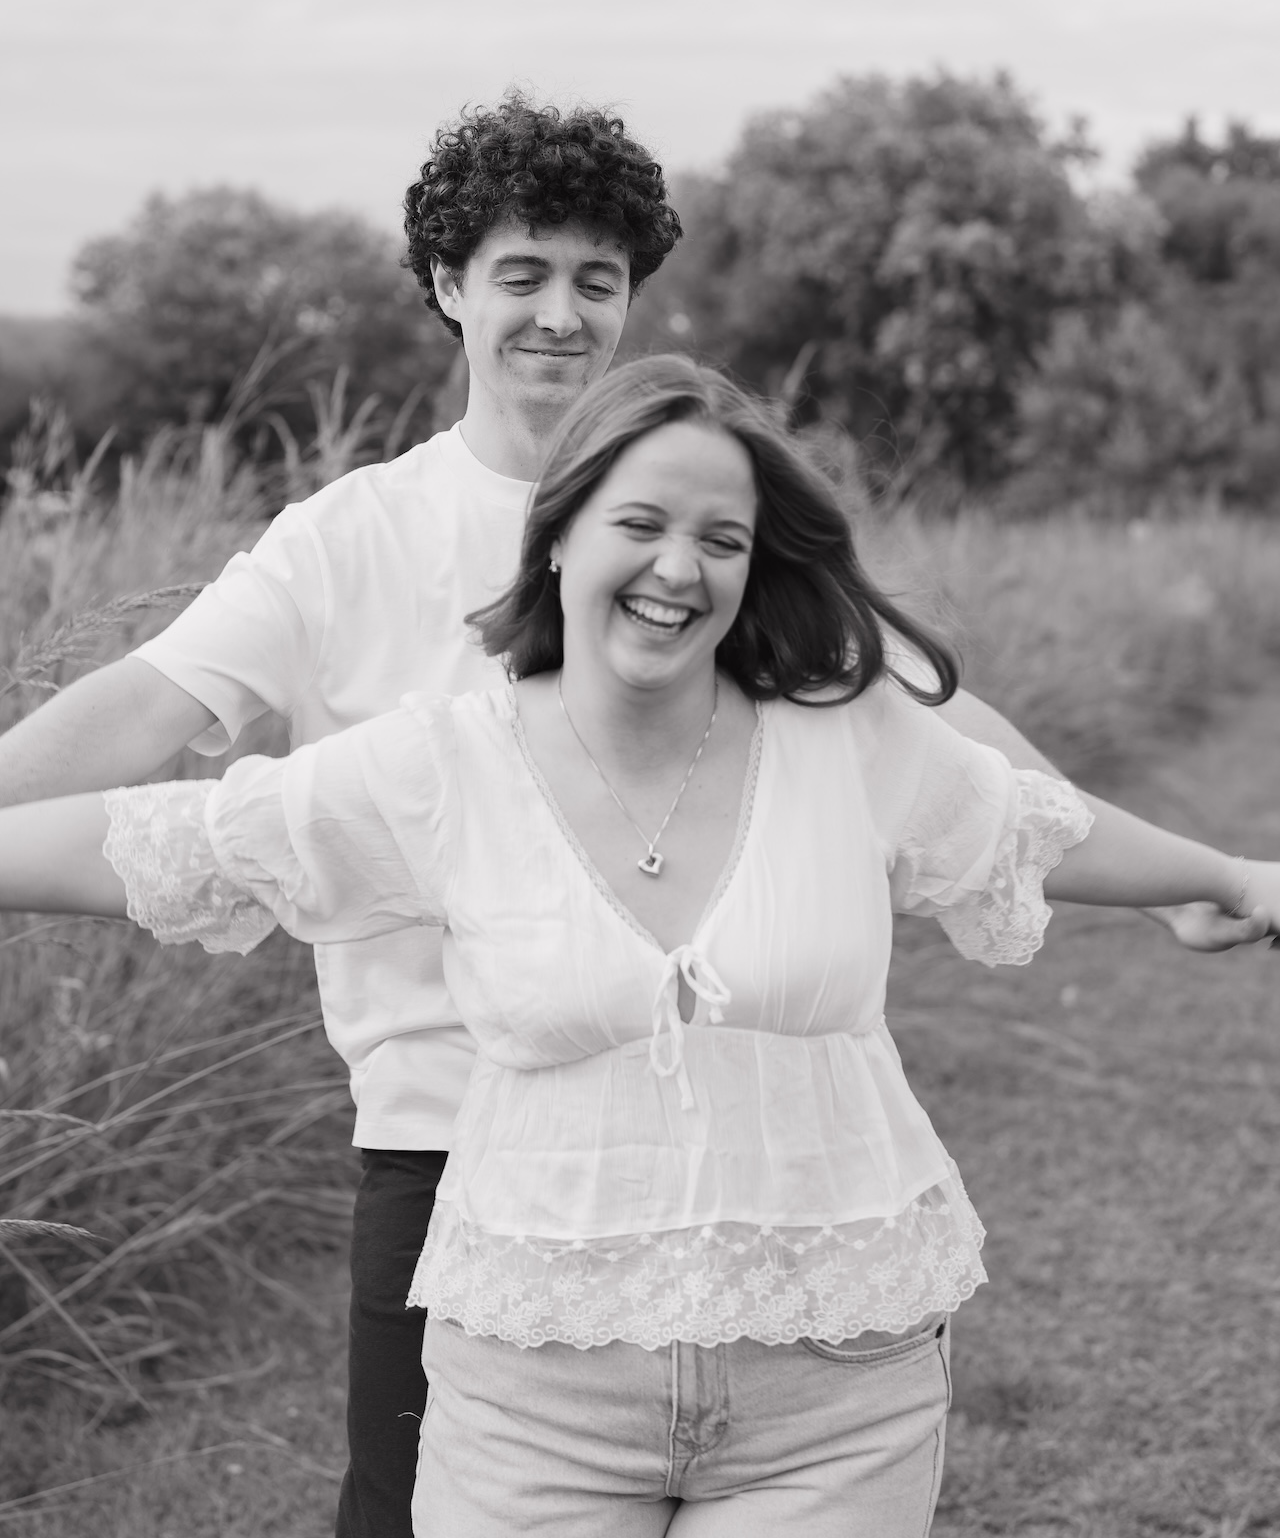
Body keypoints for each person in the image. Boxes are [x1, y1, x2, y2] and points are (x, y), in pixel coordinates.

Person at [0, 104, 1256, 1538]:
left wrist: (1168, 873)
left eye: (597, 282)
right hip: (449, 1138)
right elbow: (146, 721)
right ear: (447, 286)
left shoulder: (707, 505)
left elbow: (929, 744)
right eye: (522, 272)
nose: (559, 312)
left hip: (737, 1130)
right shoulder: (349, 538)